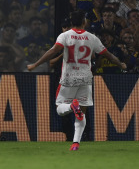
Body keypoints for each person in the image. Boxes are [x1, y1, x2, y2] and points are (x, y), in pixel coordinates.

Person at [27, 10, 126, 151]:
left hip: (69, 78)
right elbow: (109, 55)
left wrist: (35, 64)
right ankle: (75, 143)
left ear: (72, 22)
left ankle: (71, 107)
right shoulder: (92, 37)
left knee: (60, 109)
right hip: (86, 79)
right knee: (82, 112)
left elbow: (53, 51)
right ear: (84, 22)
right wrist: (120, 64)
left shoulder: (65, 36)